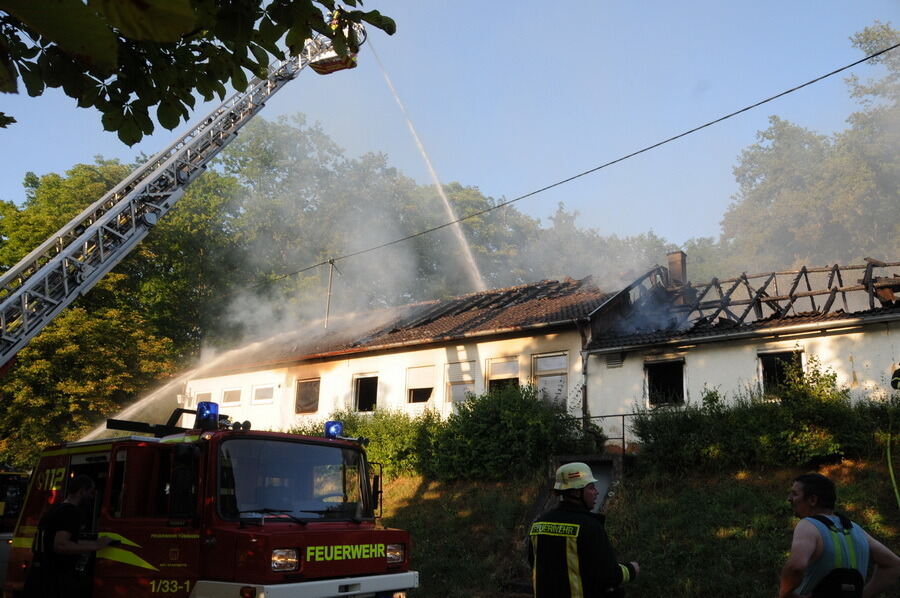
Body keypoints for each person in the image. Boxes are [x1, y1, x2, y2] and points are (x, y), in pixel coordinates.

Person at [778, 472, 900, 598]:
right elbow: (894, 565)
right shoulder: (857, 530)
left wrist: (785, 594)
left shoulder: (807, 525)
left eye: (794, 494)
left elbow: (796, 566)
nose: (789, 498)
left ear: (812, 500)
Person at [527, 462, 639, 597]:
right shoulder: (590, 527)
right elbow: (609, 575)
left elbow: (536, 564)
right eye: (591, 487)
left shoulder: (538, 525)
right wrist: (632, 569)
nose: (596, 492)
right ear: (576, 492)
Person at [24, 475, 113, 598]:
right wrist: (96, 545)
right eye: (91, 492)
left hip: (39, 576)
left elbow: (69, 541)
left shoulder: (54, 509)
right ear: (81, 491)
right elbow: (61, 545)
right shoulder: (71, 512)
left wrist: (96, 543)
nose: (92, 497)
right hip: (53, 580)